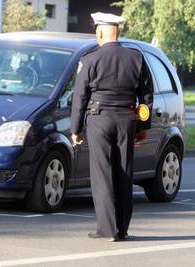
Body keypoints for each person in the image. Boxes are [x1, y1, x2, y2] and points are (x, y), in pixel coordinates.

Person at [70, 12, 153, 241]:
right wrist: (143, 125)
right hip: (127, 118)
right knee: (124, 173)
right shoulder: (136, 58)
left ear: (99, 32)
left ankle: (107, 230)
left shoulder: (90, 59)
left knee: (102, 175)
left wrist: (75, 129)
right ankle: (122, 229)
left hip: (99, 119)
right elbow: (146, 94)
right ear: (118, 31)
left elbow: (80, 97)